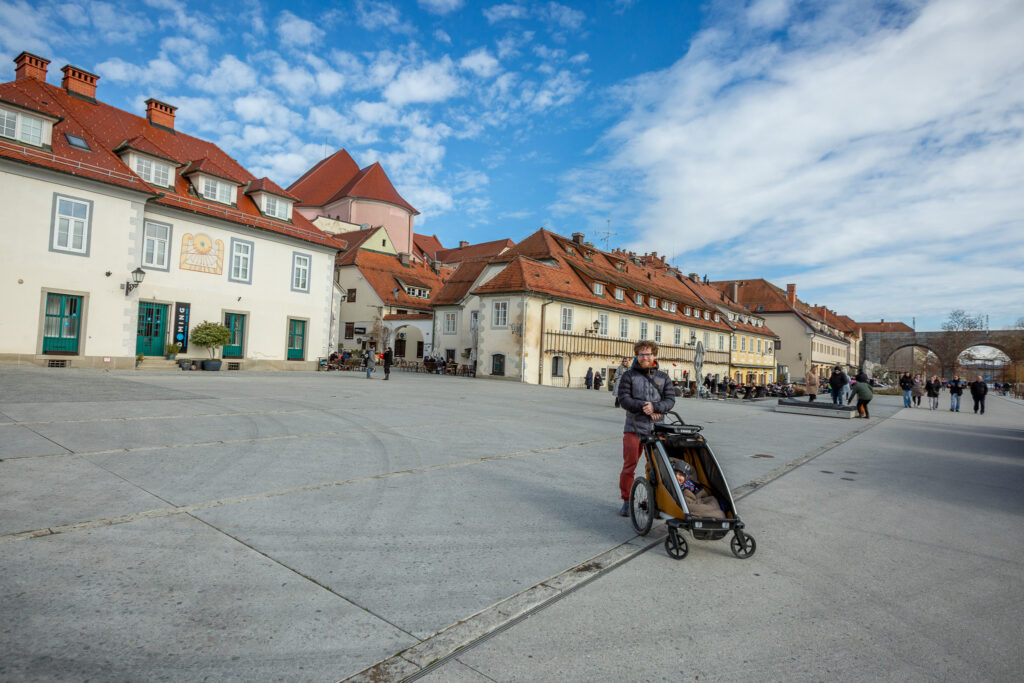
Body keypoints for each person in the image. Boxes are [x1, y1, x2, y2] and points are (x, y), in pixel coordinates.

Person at [616, 341, 675, 516]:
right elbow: (623, 399)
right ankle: (627, 500)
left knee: (656, 467)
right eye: (641, 354)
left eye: (648, 354)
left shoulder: (663, 377)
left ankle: (656, 502)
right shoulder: (628, 376)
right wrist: (645, 406)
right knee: (629, 465)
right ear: (637, 356)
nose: (645, 357)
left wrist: (656, 407)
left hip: (656, 428)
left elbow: (670, 400)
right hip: (633, 427)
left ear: (654, 355)